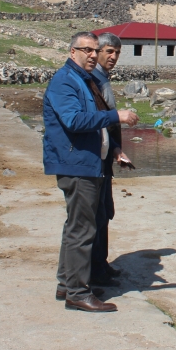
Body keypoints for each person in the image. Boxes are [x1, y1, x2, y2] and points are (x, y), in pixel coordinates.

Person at [44, 31, 138, 312]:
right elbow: (74, 120)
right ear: (72, 52)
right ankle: (77, 292)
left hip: (88, 163)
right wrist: (116, 115)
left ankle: (68, 283)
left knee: (77, 226)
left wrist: (114, 148)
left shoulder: (83, 81)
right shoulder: (65, 81)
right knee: (83, 229)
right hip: (77, 164)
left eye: (96, 50)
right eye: (87, 50)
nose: (94, 55)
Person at [90, 32, 133, 286]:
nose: (113, 57)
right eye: (109, 51)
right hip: (94, 158)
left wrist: (116, 149)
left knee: (104, 212)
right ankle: (94, 271)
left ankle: (101, 264)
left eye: (117, 52)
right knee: (95, 215)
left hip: (106, 155)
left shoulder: (102, 78)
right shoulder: (91, 80)